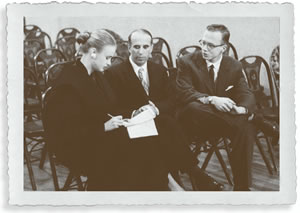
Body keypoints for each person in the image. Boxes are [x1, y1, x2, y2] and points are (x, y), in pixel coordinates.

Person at [105, 29, 223, 191]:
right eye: (136, 47)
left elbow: (172, 100)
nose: (141, 52)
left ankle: (185, 177)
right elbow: (112, 106)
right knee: (164, 129)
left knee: (167, 123)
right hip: (130, 126)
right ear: (128, 47)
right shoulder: (114, 73)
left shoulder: (159, 70)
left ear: (152, 48)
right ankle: (191, 175)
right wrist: (134, 112)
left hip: (157, 121)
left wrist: (156, 108)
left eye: (145, 47)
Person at [43, 29, 135, 191]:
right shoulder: (68, 82)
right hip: (76, 146)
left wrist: (130, 116)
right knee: (131, 149)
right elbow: (65, 132)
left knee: (144, 139)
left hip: (95, 135)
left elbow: (106, 107)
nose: (109, 62)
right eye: (107, 57)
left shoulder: (96, 75)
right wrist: (104, 127)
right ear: (93, 52)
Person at [176, 24, 256, 191]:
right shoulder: (186, 62)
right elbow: (185, 92)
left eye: (210, 45)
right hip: (194, 122)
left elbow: (246, 94)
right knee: (193, 106)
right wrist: (212, 99)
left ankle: (242, 188)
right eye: (202, 43)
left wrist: (241, 110)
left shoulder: (233, 65)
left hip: (222, 123)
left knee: (245, 126)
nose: (204, 48)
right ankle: (258, 120)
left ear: (223, 48)